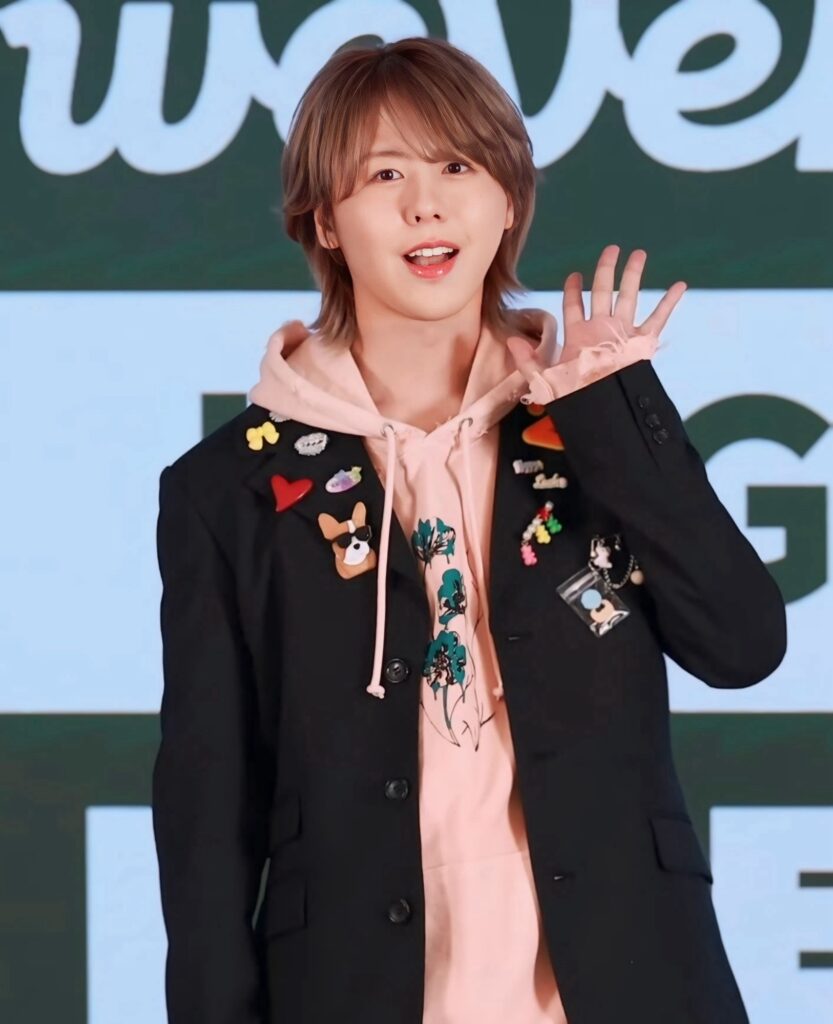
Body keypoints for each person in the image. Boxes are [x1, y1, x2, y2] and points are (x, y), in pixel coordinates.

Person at [152, 36, 787, 1024]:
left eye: (456, 165)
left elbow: (742, 645)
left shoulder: (589, 425)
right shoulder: (225, 488)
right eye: (384, 175)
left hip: (626, 984)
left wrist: (615, 411)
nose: (426, 205)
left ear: (507, 198)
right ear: (323, 219)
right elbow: (206, 817)